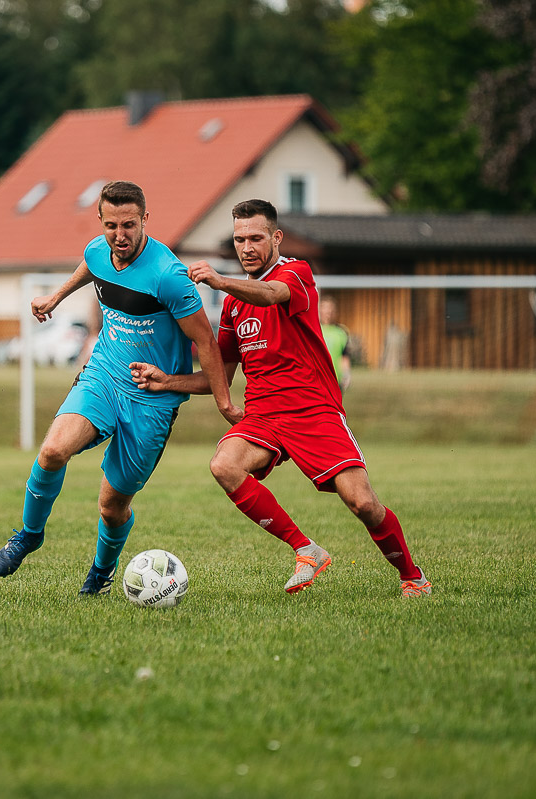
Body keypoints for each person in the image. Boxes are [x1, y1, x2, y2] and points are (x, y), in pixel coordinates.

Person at [131, 199, 431, 597]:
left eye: (256, 238)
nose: (247, 247)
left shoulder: (296, 274)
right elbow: (218, 376)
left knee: (362, 503)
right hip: (264, 416)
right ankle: (306, 550)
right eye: (240, 239)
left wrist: (219, 281)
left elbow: (272, 294)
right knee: (224, 465)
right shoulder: (235, 307)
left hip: (314, 411)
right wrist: (166, 381)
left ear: (276, 237)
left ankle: (413, 576)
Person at [0, 180, 238, 595]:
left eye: (128, 225)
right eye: (111, 226)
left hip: (152, 400)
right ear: (100, 221)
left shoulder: (169, 275)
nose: (119, 236)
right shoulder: (97, 250)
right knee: (52, 451)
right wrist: (57, 296)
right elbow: (91, 267)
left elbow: (207, 343)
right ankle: (30, 534)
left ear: (145, 220)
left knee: (112, 506)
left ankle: (101, 575)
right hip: (103, 374)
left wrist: (225, 403)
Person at [319, 296, 354, 393]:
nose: (328, 312)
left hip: (335, 381)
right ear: (320, 310)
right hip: (317, 381)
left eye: (330, 309)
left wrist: (346, 374)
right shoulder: (314, 330)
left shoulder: (341, 332)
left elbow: (344, 356)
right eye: (325, 308)